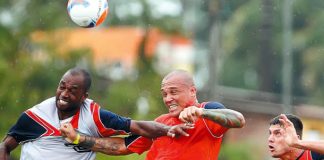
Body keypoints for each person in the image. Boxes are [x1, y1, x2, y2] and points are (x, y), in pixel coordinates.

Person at [0, 68, 192, 160]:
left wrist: (169, 129)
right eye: (62, 87)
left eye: (73, 90)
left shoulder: (94, 115)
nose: (64, 94)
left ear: (84, 96)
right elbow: (5, 147)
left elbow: (138, 126)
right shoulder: (35, 117)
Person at [60, 69, 246, 159]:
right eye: (164, 94)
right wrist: (78, 138)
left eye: (173, 92)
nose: (168, 99)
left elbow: (238, 120)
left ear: (192, 91)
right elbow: (121, 146)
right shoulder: (159, 123)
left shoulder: (208, 113)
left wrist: (201, 112)